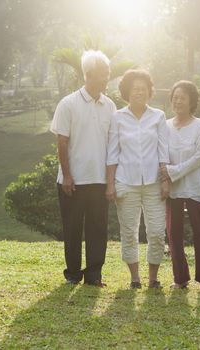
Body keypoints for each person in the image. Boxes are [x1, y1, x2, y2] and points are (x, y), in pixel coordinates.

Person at [50, 50, 116, 287]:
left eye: (108, 73)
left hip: (99, 180)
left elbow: (112, 146)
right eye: (103, 73)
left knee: (98, 228)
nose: (107, 78)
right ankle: (73, 274)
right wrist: (67, 175)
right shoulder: (68, 104)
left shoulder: (110, 106)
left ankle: (94, 275)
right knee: (73, 228)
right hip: (73, 180)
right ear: (88, 74)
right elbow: (62, 142)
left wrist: (110, 181)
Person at [106, 69, 170, 289]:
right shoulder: (118, 117)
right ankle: (135, 278)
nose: (139, 92)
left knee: (156, 232)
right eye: (135, 89)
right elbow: (112, 152)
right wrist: (110, 183)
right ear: (127, 92)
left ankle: (153, 278)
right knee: (129, 231)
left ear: (149, 92)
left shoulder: (158, 116)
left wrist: (165, 180)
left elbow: (163, 151)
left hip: (153, 183)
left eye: (143, 89)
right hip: (125, 182)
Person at [160, 80, 200, 293]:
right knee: (174, 234)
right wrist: (166, 177)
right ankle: (180, 277)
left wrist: (172, 172)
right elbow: (162, 154)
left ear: (192, 101)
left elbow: (198, 159)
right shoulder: (165, 126)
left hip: (195, 187)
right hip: (173, 189)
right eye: (175, 97)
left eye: (182, 97)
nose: (178, 101)